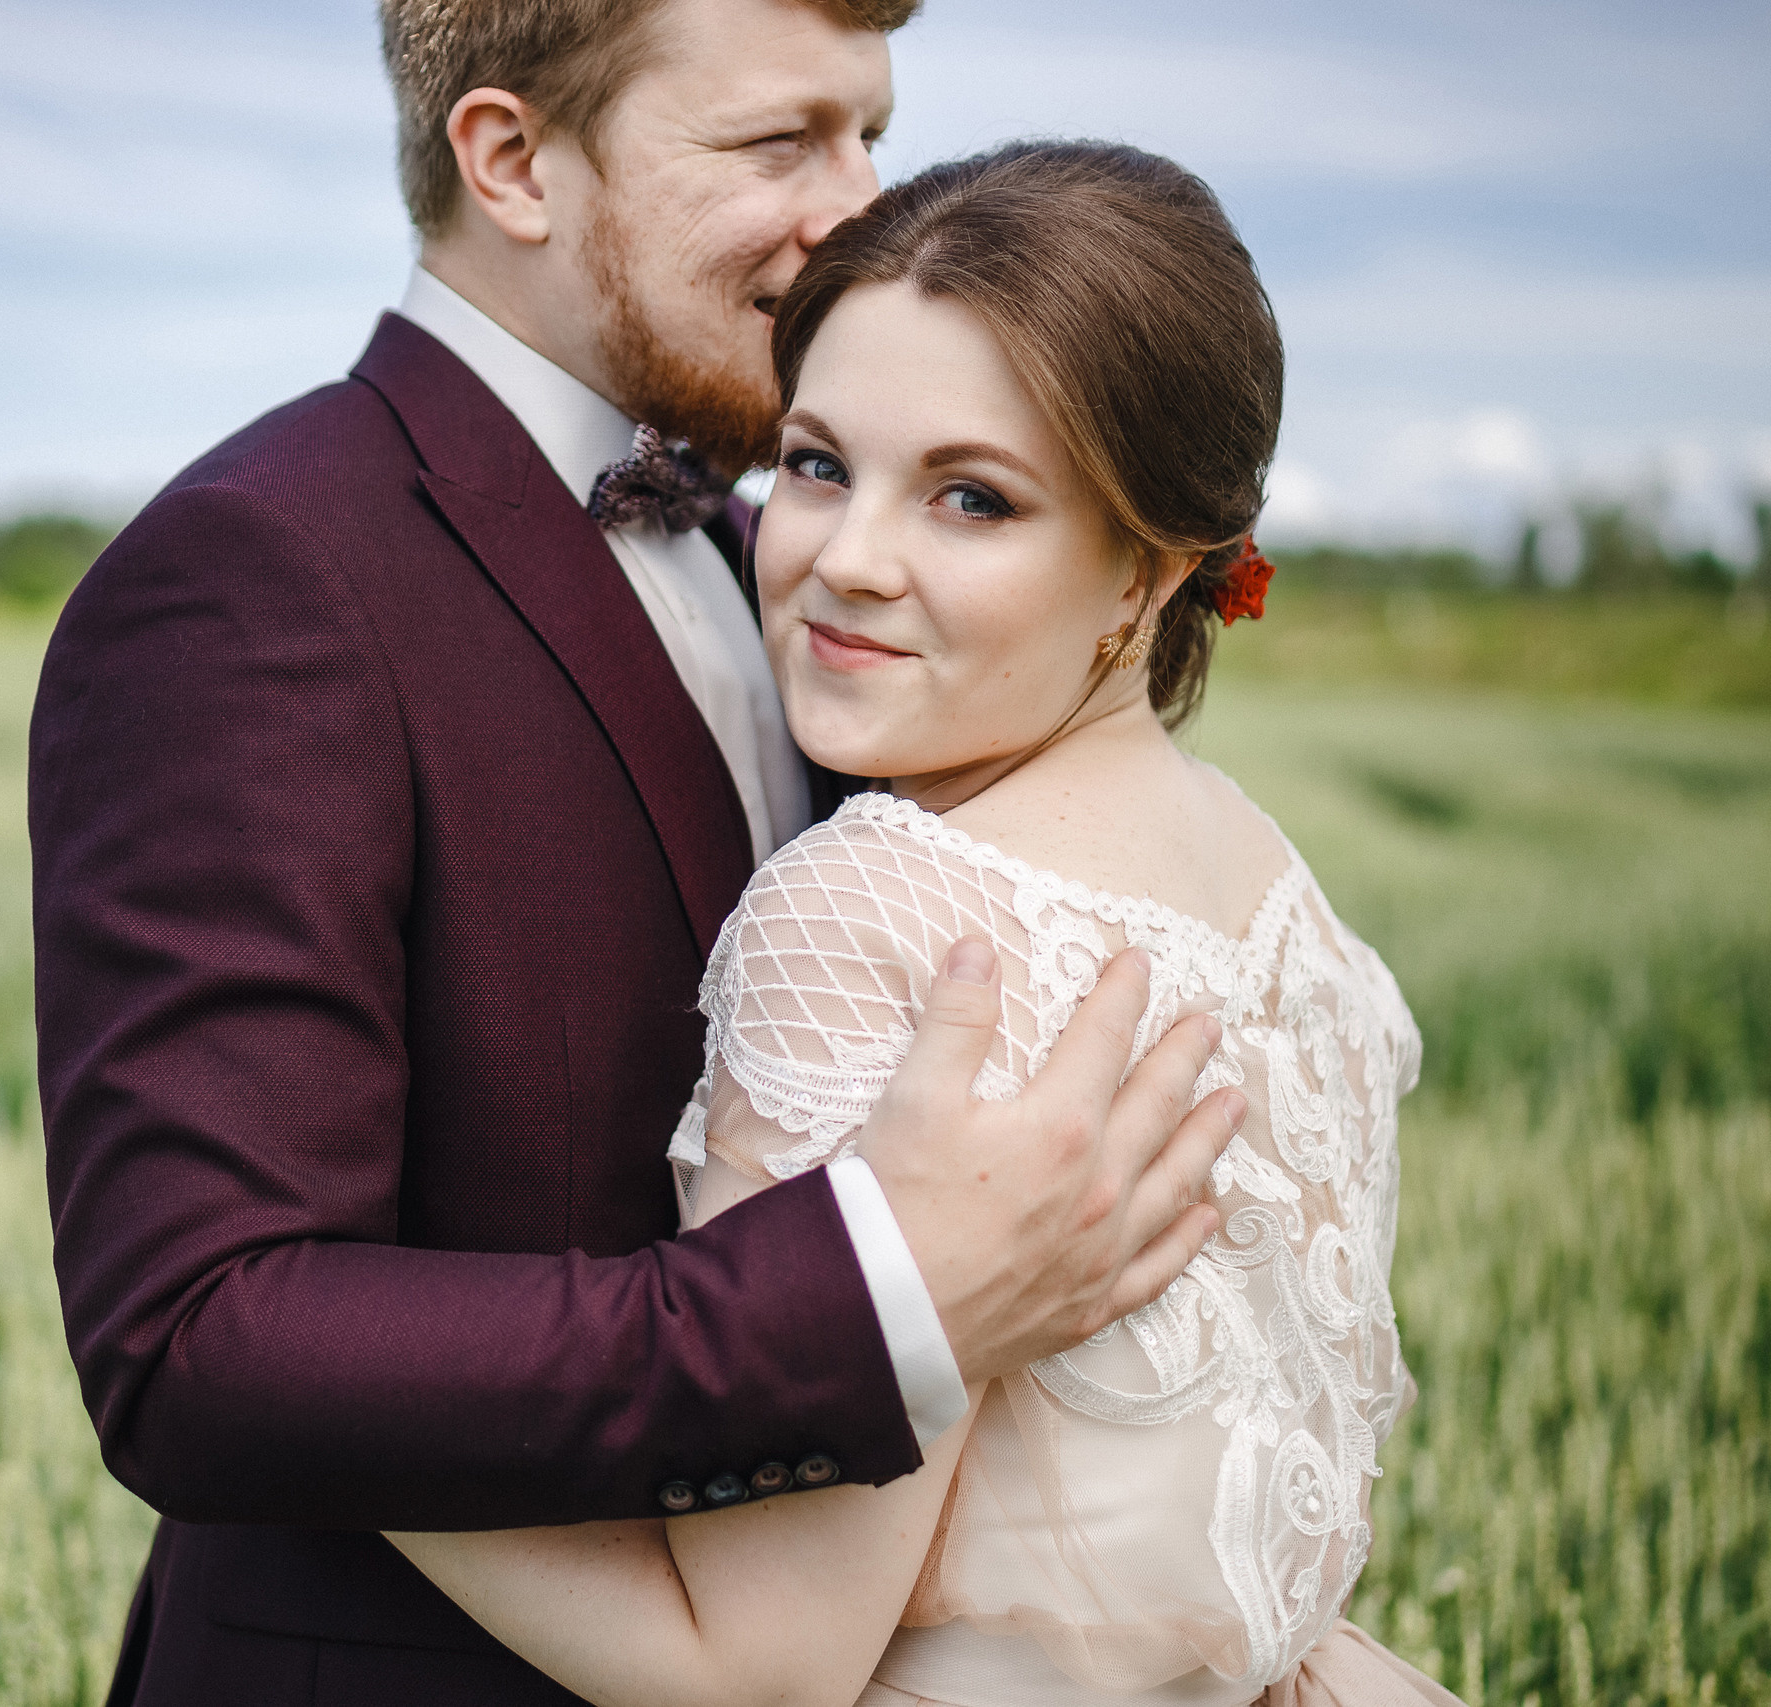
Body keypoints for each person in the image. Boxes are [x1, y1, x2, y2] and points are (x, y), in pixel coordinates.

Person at [28, 4, 1240, 1701]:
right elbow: (195, 1339)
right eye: (779, 145)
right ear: (514, 161)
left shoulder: (801, 561)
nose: (866, 213)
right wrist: (883, 1293)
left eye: (871, 134)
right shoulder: (257, 575)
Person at [386, 141, 1460, 1707]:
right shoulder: (1287, 903)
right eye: (817, 463)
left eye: (971, 498)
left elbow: (752, 1666)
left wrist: (331, 1449)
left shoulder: (873, 910)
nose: (845, 561)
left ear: (1153, 569)